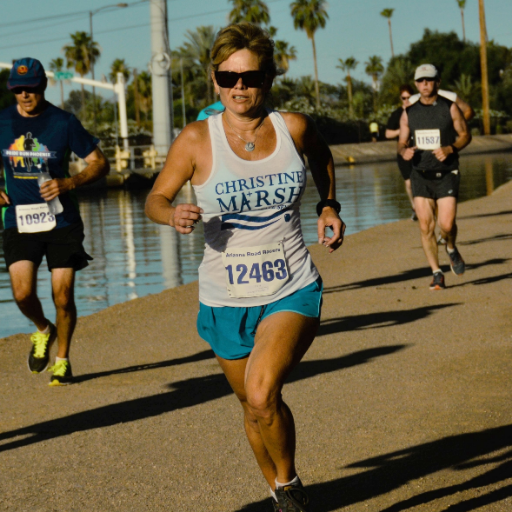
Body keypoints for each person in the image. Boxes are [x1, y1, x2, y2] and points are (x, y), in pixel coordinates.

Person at [145, 23, 344, 512]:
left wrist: (329, 205)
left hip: (291, 285)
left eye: (250, 77)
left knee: (260, 394)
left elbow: (321, 156)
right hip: (224, 298)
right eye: (227, 77)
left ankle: (292, 486)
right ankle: (278, 493)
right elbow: (156, 196)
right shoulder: (196, 140)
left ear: (269, 78)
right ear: (214, 80)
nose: (239, 87)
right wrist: (171, 213)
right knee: (253, 410)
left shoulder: (292, 128)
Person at [0, 58, 109, 385]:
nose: (24, 94)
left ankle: (62, 359)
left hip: (62, 221)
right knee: (22, 293)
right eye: (18, 89)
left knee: (63, 296)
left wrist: (69, 183)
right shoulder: (2, 122)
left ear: (42, 85)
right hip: (19, 219)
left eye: (30, 88)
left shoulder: (64, 122)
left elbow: (99, 163)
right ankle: (42, 330)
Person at [398, 64, 471, 290]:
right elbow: (401, 141)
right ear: (417, 84)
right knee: (425, 226)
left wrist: (451, 148)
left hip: (447, 173)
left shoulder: (449, 107)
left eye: (429, 80)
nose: (425, 84)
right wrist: (404, 151)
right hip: (420, 174)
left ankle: (450, 247)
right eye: (421, 81)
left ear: (438, 82)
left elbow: (465, 135)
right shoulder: (409, 110)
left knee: (446, 225)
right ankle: (436, 272)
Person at [385, 84, 416, 219]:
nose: (406, 100)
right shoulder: (397, 114)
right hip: (403, 152)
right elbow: (387, 134)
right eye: (404, 98)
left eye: (409, 97)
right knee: (409, 182)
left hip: (420, 151)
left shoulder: (419, 111)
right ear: (400, 98)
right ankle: (415, 207)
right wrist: (403, 130)